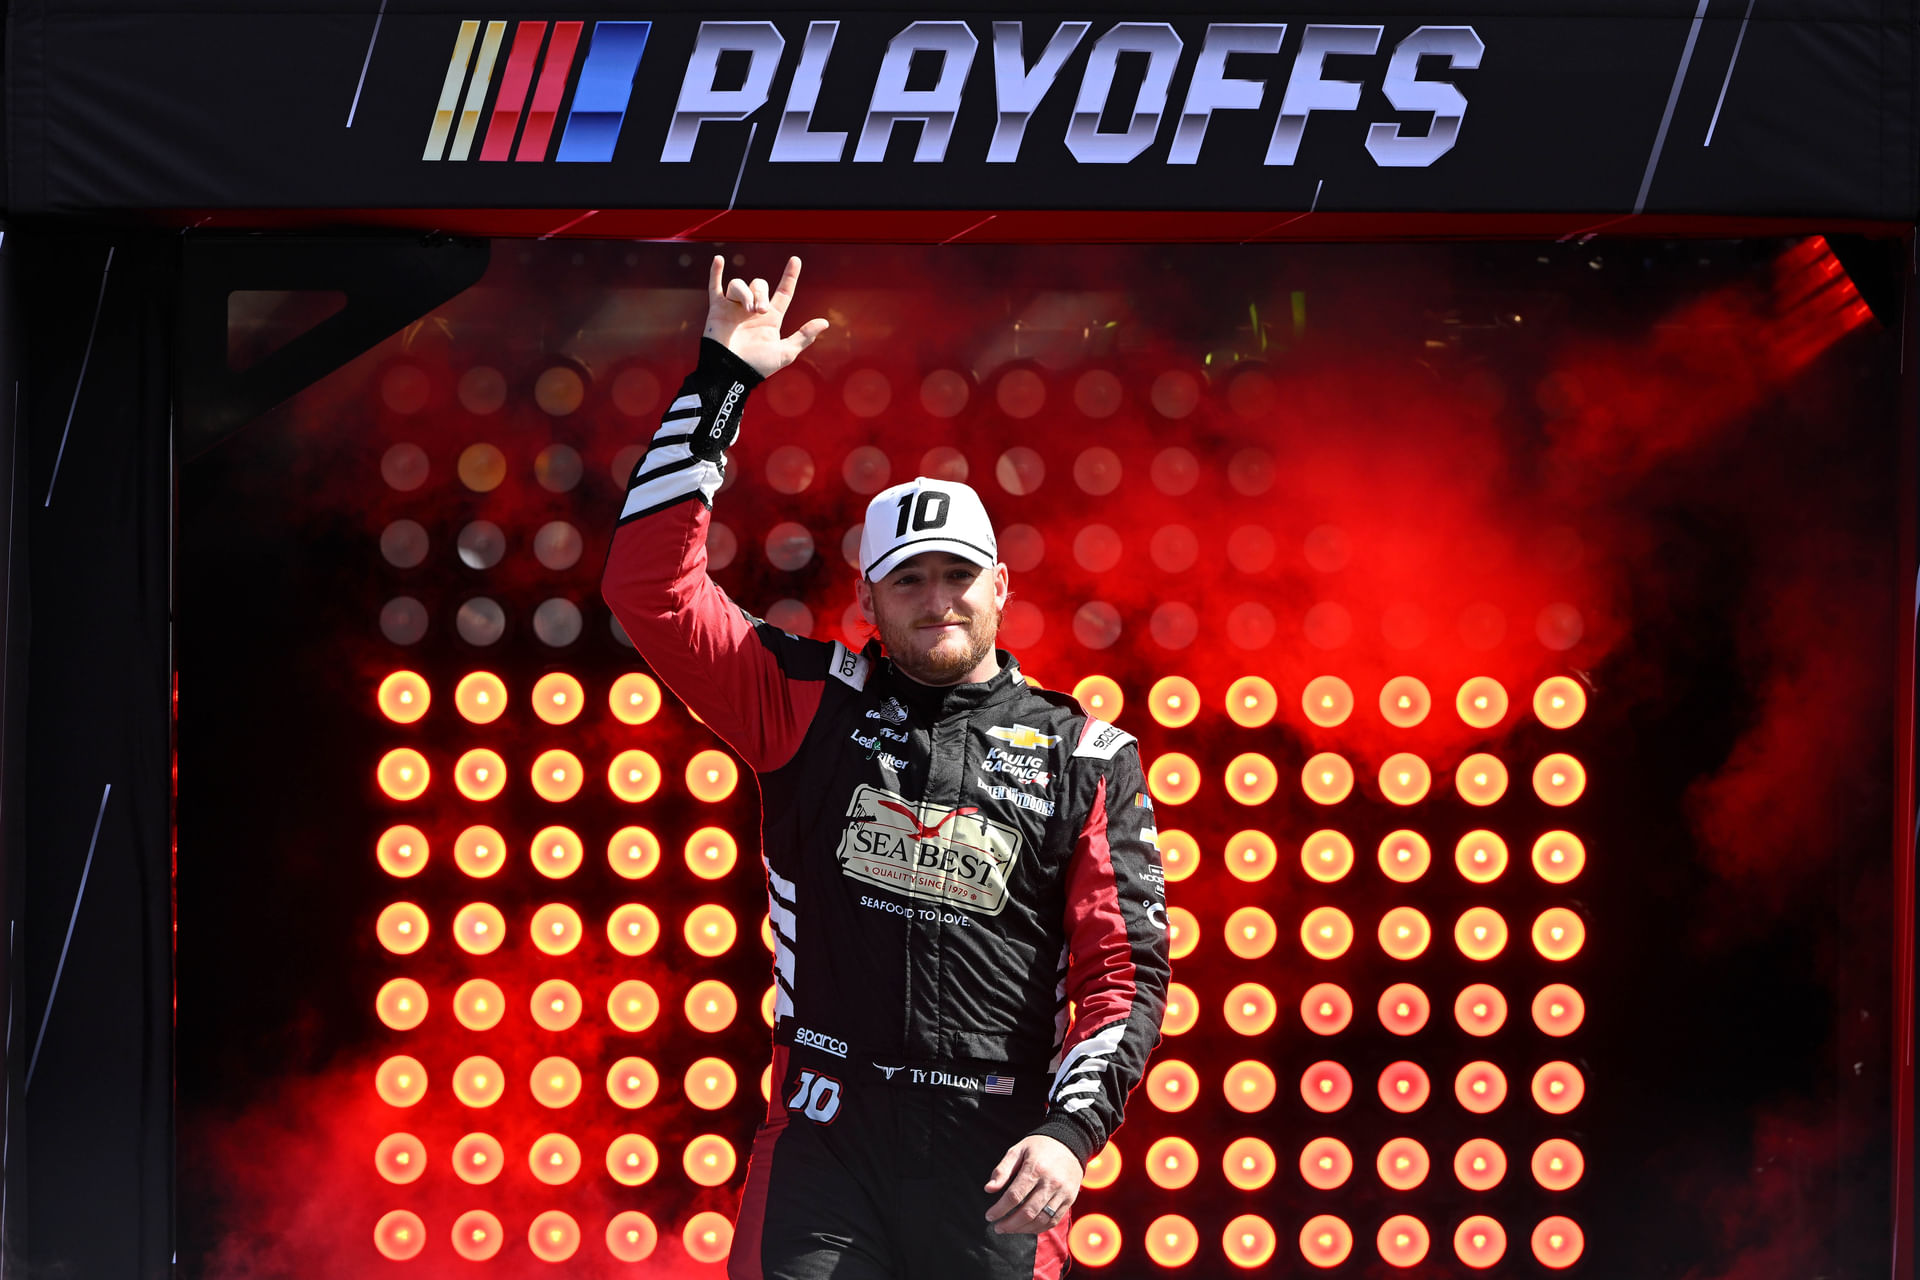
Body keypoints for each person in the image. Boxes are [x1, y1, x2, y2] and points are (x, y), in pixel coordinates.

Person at [602, 255, 1169, 1280]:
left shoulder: (1090, 755)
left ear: (1001, 586)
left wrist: (1070, 1132)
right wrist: (722, 381)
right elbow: (648, 589)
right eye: (910, 580)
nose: (938, 598)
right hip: (827, 1139)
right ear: (869, 598)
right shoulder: (808, 700)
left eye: (959, 575)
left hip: (995, 1160)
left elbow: (1122, 977)